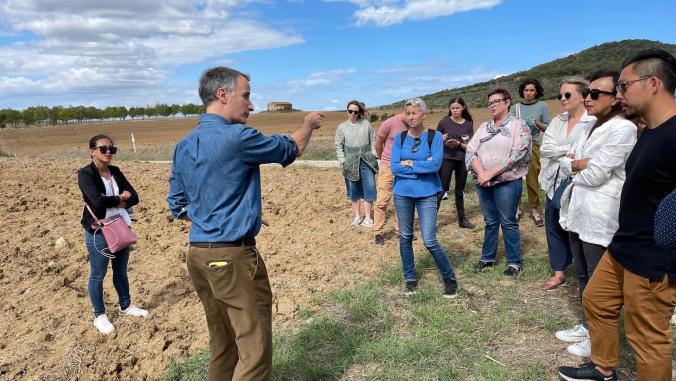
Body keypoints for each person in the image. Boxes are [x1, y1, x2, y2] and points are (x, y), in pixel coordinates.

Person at [167, 66, 323, 380]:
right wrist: (308, 123)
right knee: (254, 350)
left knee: (223, 344)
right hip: (232, 258)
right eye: (247, 96)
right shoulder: (238, 137)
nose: (251, 105)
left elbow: (178, 205)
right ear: (222, 94)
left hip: (198, 255)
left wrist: (235, 213)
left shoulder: (184, 145)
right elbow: (293, 148)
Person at [558, 49, 676, 381]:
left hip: (654, 258)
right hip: (624, 245)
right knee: (596, 300)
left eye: (624, 86)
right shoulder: (649, 130)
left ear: (652, 83)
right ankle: (603, 369)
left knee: (648, 338)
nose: (620, 94)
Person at [555, 71, 637, 358]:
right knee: (581, 273)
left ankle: (599, 338)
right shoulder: (590, 126)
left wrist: (576, 166)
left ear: (616, 98)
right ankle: (588, 325)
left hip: (599, 212)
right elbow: (565, 161)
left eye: (596, 94)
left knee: (597, 278)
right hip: (578, 209)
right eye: (588, 93)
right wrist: (579, 164)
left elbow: (598, 174)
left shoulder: (623, 129)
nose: (588, 98)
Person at [78, 134, 148, 335]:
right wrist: (119, 199)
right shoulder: (85, 174)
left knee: (121, 271)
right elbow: (96, 201)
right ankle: (99, 316)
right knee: (98, 274)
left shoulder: (115, 171)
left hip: (120, 227)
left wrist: (114, 199)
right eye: (103, 149)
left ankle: (125, 306)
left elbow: (134, 197)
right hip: (99, 231)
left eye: (112, 149)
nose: (108, 152)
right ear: (92, 151)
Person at [391, 98, 458, 297]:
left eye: (414, 113)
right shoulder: (399, 138)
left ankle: (449, 278)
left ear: (423, 115)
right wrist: (421, 164)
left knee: (429, 240)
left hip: (427, 193)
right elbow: (394, 166)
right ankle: (410, 278)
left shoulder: (434, 136)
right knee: (405, 237)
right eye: (408, 113)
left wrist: (409, 163)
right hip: (402, 193)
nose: (411, 117)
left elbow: (435, 165)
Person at [539, 77, 596, 291]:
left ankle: (584, 270)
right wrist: (568, 151)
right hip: (554, 181)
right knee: (552, 225)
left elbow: (586, 153)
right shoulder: (558, 120)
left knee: (574, 227)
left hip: (578, 182)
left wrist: (569, 153)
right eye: (559, 95)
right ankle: (559, 271)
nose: (562, 99)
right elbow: (545, 149)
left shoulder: (592, 121)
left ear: (583, 95)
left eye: (567, 95)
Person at [466, 89, 531, 276]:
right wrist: (482, 174)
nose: (492, 105)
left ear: (508, 102)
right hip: (483, 182)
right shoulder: (484, 127)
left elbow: (518, 153)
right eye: (490, 103)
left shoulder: (519, 125)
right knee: (490, 221)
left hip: (506, 182)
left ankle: (513, 262)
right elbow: (471, 151)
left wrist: (490, 174)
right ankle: (487, 259)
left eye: (496, 101)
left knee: (508, 221)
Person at [510, 78, 550, 226]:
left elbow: (548, 128)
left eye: (532, 90)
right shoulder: (515, 108)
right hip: (517, 146)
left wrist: (538, 123)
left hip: (533, 144)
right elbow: (510, 128)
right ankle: (516, 208)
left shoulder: (542, 106)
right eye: (526, 90)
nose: (528, 93)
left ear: (537, 91)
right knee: (515, 178)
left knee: (532, 177)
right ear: (522, 91)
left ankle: (535, 209)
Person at [335, 100, 378, 228]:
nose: (353, 114)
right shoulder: (341, 127)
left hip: (367, 160)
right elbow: (338, 146)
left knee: (369, 187)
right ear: (347, 112)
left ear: (359, 112)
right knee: (353, 189)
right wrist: (343, 161)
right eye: (350, 111)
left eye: (356, 112)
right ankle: (357, 217)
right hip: (350, 162)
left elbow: (373, 140)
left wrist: (374, 154)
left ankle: (368, 218)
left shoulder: (366, 124)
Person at [435, 97, 475, 229]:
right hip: (446, 158)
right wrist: (440, 138)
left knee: (459, 190)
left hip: (462, 159)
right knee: (441, 189)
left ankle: (462, 220)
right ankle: (431, 222)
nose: (455, 110)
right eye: (452, 108)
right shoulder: (444, 122)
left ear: (463, 107)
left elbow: (470, 145)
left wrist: (458, 144)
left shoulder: (468, 123)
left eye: (457, 108)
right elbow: (434, 139)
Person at [374, 112, 408, 245]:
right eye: (410, 113)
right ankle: (378, 232)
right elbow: (378, 145)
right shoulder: (389, 123)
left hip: (404, 168)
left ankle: (401, 231)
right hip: (388, 167)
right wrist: (385, 161)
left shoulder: (413, 126)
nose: (412, 117)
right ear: (406, 110)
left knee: (402, 200)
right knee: (382, 200)